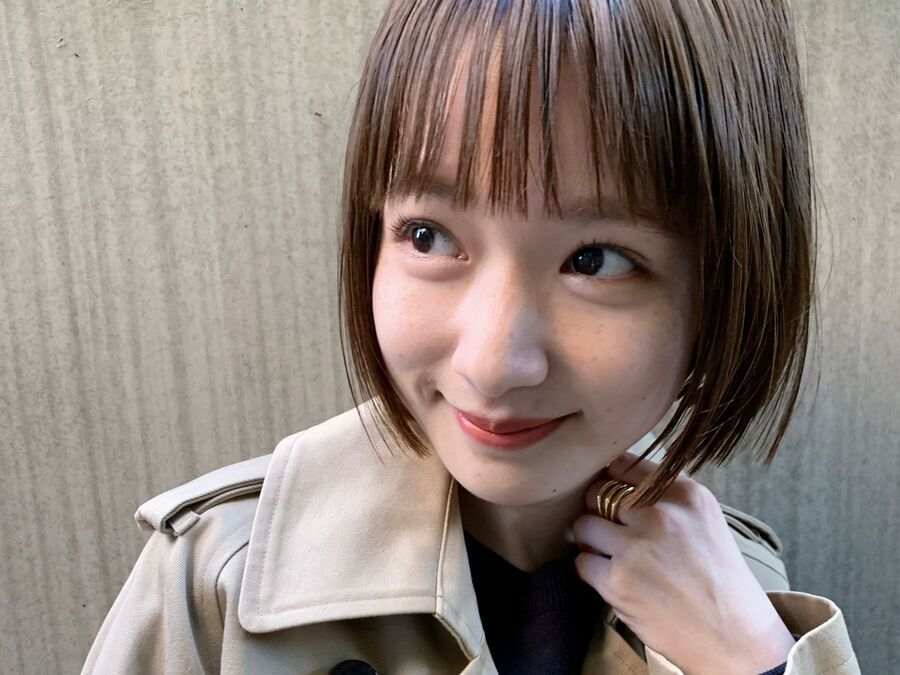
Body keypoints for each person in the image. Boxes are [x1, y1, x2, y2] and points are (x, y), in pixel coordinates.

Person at [82, 0, 860, 673]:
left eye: (595, 259)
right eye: (428, 235)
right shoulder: (219, 580)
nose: (492, 365)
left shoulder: (744, 595)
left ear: (726, 286)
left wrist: (759, 660)